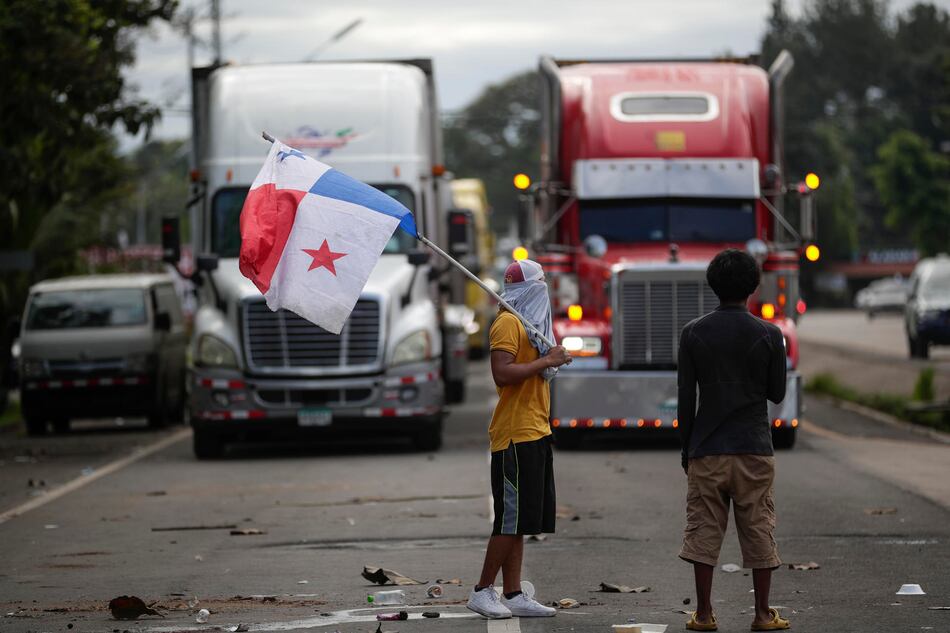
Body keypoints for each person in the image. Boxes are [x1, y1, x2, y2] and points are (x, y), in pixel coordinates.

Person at [677, 249, 790, 632]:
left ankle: (705, 614)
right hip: (755, 447)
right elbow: (776, 393)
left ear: (713, 286)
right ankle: (761, 614)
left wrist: (687, 448)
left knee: (704, 532)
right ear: (753, 287)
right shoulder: (770, 334)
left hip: (707, 448)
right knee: (758, 527)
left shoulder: (693, 333)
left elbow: (685, 397)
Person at [466, 259, 573, 619]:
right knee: (509, 521)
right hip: (514, 435)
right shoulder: (509, 322)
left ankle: (513, 593)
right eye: (540, 284)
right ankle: (483, 590)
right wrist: (546, 362)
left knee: (523, 520)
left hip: (536, 430)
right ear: (529, 289)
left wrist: (550, 357)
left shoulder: (530, 326)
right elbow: (502, 372)